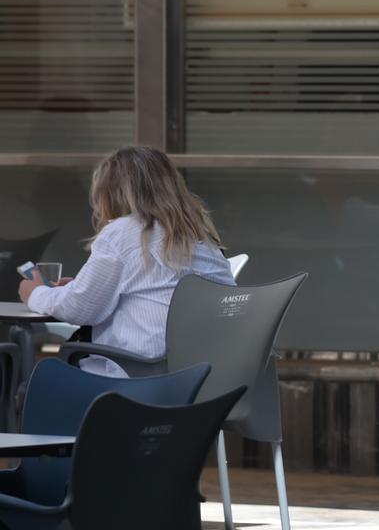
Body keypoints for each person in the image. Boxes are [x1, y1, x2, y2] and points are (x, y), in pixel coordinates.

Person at [18, 146, 233, 377]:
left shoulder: (123, 233)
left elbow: (79, 309)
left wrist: (35, 292)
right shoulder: (202, 237)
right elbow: (150, 293)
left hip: (141, 379)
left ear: (111, 193)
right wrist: (79, 288)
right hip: (206, 379)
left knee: (42, 378)